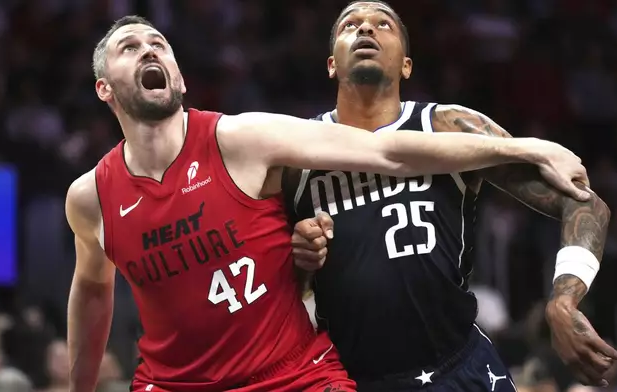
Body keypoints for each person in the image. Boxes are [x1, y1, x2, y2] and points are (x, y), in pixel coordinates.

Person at [66, 15, 590, 392]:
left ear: (179, 77)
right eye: (130, 47)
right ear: (104, 88)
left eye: (158, 43)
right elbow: (92, 287)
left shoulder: (244, 139)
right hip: (178, 382)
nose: (150, 50)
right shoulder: (90, 198)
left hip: (298, 376)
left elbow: (387, 150)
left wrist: (522, 145)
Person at [286, 1, 617, 391]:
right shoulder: (295, 153)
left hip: (459, 369)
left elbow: (585, 203)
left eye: (383, 24)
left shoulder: (448, 126)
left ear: (407, 65)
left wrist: (564, 299)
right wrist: (298, 260)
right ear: (331, 64)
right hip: (352, 379)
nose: (365, 30)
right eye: (350, 25)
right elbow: (266, 281)